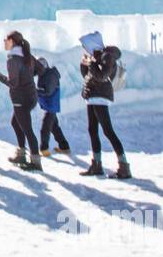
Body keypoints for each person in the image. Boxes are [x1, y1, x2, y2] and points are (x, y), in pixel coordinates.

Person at [79, 31, 130, 178]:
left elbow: (102, 76)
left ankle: (124, 166)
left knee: (108, 131)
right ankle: (96, 164)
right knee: (92, 130)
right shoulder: (97, 57)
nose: (84, 48)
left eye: (85, 45)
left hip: (100, 96)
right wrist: (85, 65)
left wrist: (92, 63)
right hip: (92, 95)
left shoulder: (107, 56)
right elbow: (88, 76)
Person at [0, 31, 42, 171]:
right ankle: (21, 154)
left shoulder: (13, 59)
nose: (4, 42)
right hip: (30, 96)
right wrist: (28, 77)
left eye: (5, 40)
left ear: (12, 41)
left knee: (27, 129)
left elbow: (13, 83)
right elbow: (41, 68)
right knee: (15, 123)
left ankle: (36, 162)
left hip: (21, 98)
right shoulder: (26, 55)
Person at [34, 56, 71, 156]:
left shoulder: (50, 75)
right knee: (54, 127)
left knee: (45, 127)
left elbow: (48, 91)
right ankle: (64, 146)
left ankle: (44, 148)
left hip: (51, 105)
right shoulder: (44, 74)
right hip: (49, 105)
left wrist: (35, 91)